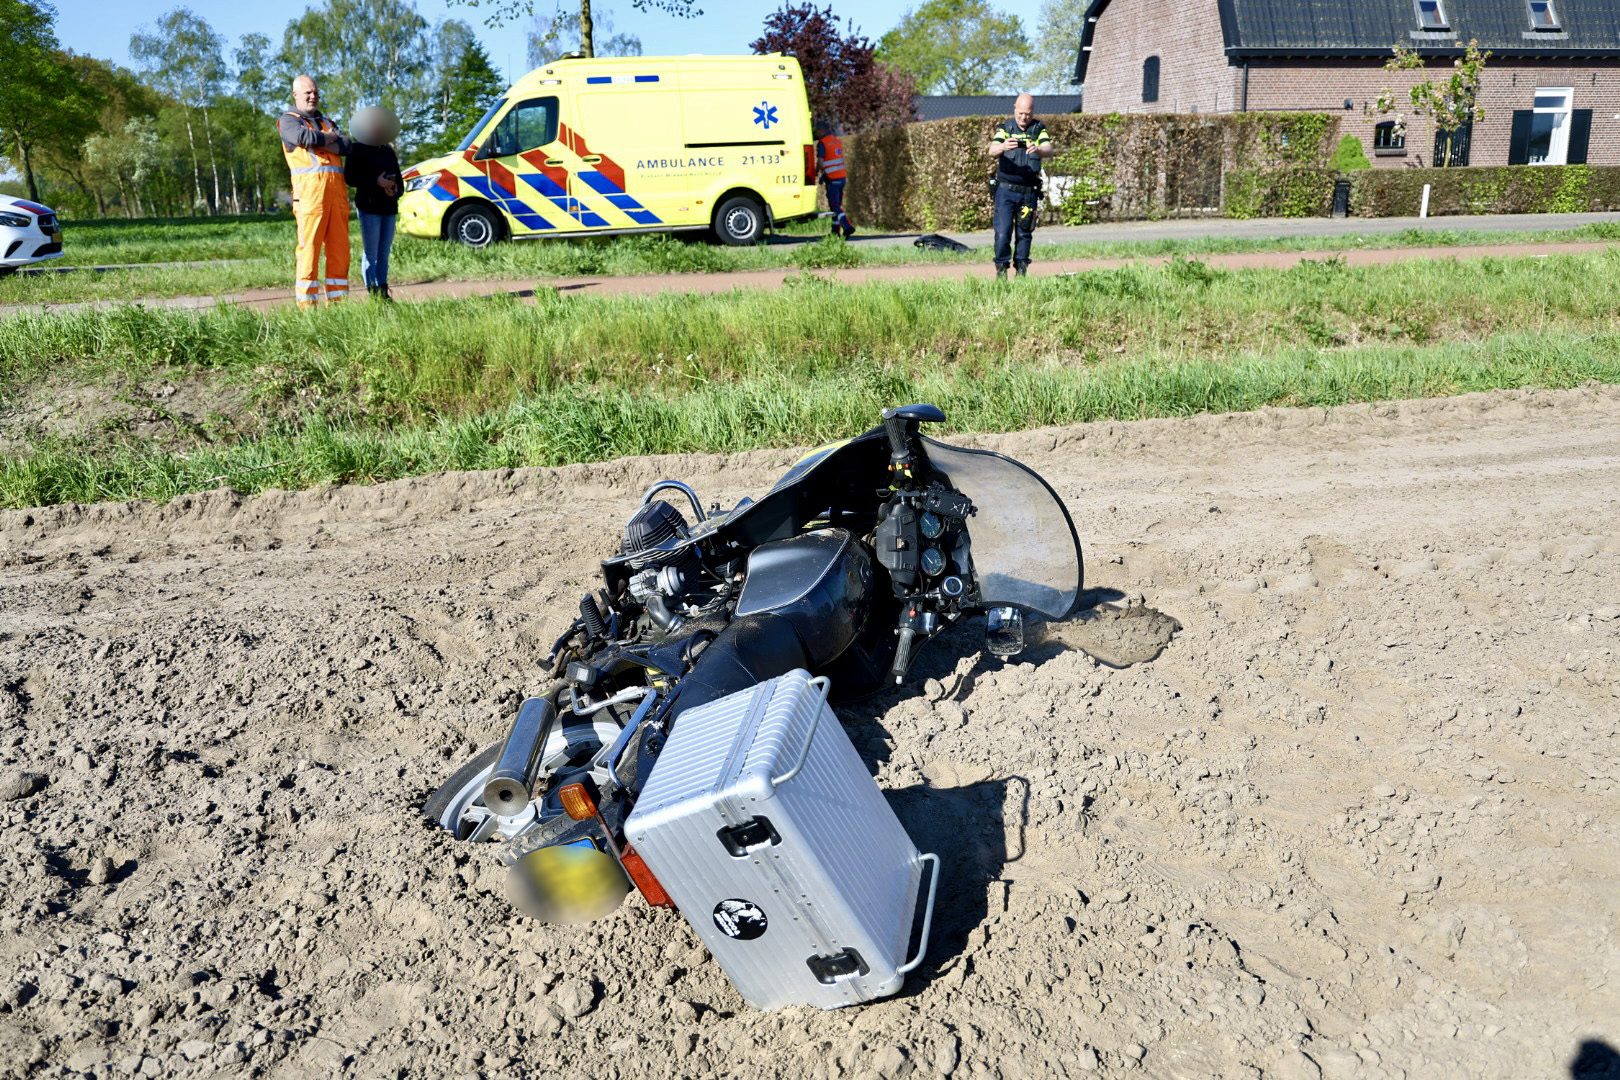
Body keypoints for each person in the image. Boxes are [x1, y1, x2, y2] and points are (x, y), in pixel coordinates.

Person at [278, 74, 351, 307]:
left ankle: (339, 305)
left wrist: (320, 140)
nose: (313, 96)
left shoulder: (327, 121)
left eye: (315, 92)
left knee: (340, 251)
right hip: (310, 199)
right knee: (309, 251)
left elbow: (346, 145)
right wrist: (329, 139)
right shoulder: (288, 121)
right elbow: (302, 137)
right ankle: (307, 307)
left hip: (337, 198)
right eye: (308, 92)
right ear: (295, 95)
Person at [987, 93, 1054, 279]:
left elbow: (1049, 149)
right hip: (1005, 192)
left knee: (1024, 234)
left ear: (1033, 112)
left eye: (1028, 114)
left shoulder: (1039, 129)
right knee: (1003, 233)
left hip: (1028, 193)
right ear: (1015, 108)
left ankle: (1022, 273)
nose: (1024, 117)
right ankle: (1001, 272)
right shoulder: (1005, 129)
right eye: (1021, 113)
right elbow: (992, 150)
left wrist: (1038, 149)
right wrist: (1003, 147)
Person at [346, 106, 403, 303]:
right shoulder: (356, 149)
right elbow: (350, 178)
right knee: (371, 253)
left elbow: (399, 179)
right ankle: (373, 291)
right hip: (369, 208)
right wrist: (375, 182)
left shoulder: (388, 151)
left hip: (389, 208)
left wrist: (394, 189)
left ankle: (383, 290)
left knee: (384, 253)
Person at [815, 124, 855, 239]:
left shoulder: (822, 143)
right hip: (841, 177)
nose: (816, 133)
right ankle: (835, 231)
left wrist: (817, 172)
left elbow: (821, 162)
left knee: (835, 206)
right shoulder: (836, 141)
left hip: (832, 178)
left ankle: (847, 226)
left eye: (817, 130)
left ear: (822, 130)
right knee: (836, 206)